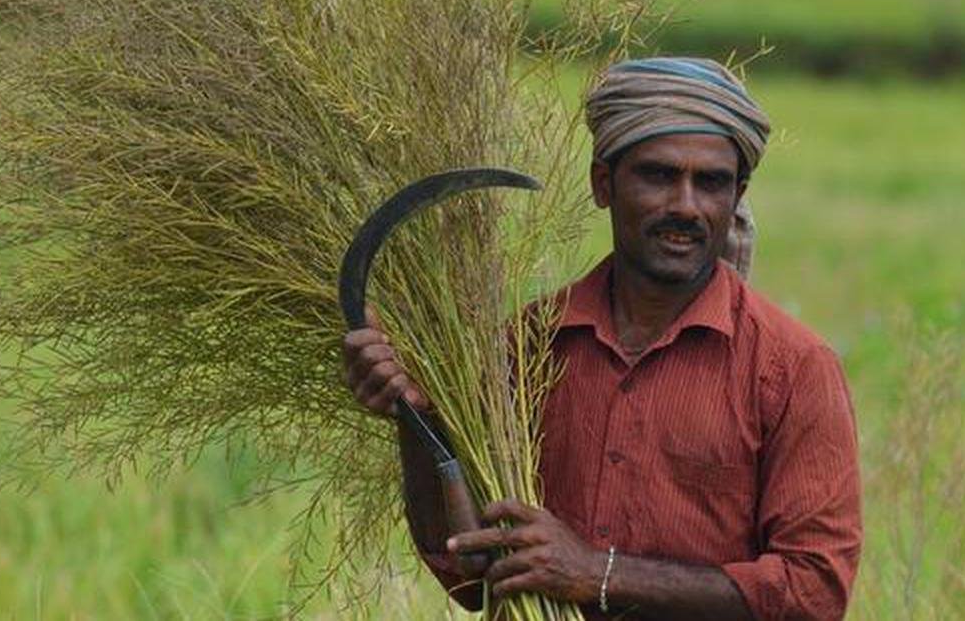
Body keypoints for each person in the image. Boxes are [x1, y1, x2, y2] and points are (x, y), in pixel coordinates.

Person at [343, 57, 861, 620]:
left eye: (710, 182)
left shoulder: (792, 367)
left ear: (736, 196)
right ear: (602, 183)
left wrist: (599, 574)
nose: (685, 206)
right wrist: (417, 420)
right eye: (658, 175)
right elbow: (469, 575)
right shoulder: (527, 346)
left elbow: (814, 592)